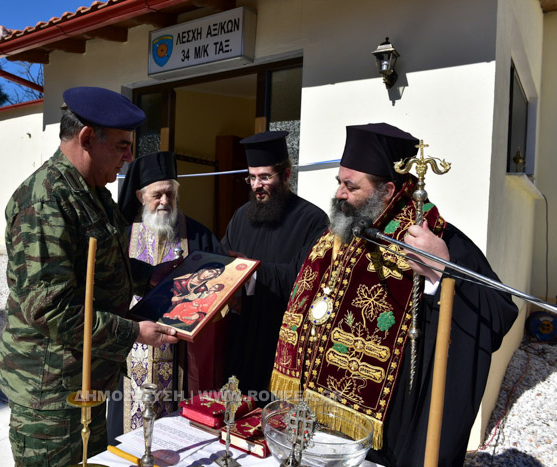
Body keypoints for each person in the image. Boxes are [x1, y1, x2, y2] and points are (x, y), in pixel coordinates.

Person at [269, 123, 518, 466]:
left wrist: (441, 273)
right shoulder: (340, 232)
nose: (339, 193)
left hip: (385, 435)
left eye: (350, 186)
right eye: (339, 183)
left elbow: (498, 311)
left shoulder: (431, 237)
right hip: (312, 421)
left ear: (386, 191)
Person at [0, 87, 179, 467]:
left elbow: (105, 269)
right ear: (87, 138)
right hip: (51, 395)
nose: (129, 157)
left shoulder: (92, 191)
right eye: (122, 145)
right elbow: (52, 310)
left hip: (84, 379)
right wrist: (134, 332)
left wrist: (157, 276)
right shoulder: (46, 201)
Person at [113, 151, 225, 435]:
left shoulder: (199, 237)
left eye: (170, 194)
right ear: (140, 196)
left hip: (180, 360)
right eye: (157, 195)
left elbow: (220, 293)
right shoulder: (121, 236)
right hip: (131, 354)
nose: (165, 201)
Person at [221, 130, 329, 397]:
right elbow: (224, 261)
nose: (257, 185)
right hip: (240, 335)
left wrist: (252, 271)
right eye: (252, 177)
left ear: (287, 175)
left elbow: (306, 278)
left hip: (280, 339)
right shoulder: (240, 216)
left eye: (265, 177)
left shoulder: (312, 220)